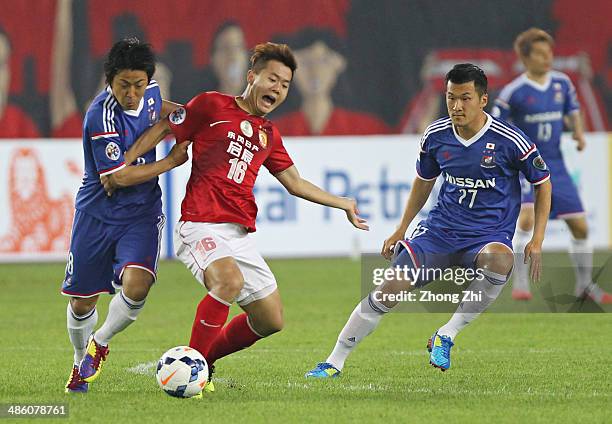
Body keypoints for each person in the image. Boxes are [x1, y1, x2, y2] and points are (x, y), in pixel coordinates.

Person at [112, 42, 368, 393]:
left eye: (285, 84)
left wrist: (343, 203)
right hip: (199, 224)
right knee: (228, 283)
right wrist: (124, 161)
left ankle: (205, 362)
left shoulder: (268, 135)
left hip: (239, 235)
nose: (277, 89)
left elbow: (294, 183)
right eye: (272, 79)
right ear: (252, 77)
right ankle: (191, 375)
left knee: (270, 319)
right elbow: (164, 127)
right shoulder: (210, 105)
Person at [306, 63, 552, 377]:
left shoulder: (509, 140)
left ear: (483, 100)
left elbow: (542, 182)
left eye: (465, 98)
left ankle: (446, 334)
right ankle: (333, 361)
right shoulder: (436, 135)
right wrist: (401, 229)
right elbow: (423, 181)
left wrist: (538, 238)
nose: (456, 106)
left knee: (501, 259)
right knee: (389, 289)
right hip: (439, 231)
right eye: (451, 98)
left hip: (487, 235)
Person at [61, 37, 187, 393]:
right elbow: (117, 178)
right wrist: (168, 161)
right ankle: (77, 361)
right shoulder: (99, 116)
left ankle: (99, 343)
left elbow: (162, 109)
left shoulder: (149, 95)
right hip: (97, 213)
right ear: (108, 82)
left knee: (138, 283)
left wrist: (183, 117)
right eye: (123, 86)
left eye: (138, 85)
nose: (132, 94)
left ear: (148, 80)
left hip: (142, 212)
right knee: (82, 300)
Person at [492, 28, 612, 303]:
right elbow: (497, 128)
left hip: (555, 165)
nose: (548, 59)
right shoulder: (514, 92)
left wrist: (578, 133)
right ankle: (520, 284)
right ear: (525, 58)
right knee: (526, 220)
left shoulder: (562, 83)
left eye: (550, 53)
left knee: (580, 227)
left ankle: (585, 286)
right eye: (540, 54)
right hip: (527, 167)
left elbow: (572, 111)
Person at [273, 29, 391, 136]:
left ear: (338, 65)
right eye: (305, 62)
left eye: (324, 62)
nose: (315, 72)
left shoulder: (368, 128)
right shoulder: (272, 132)